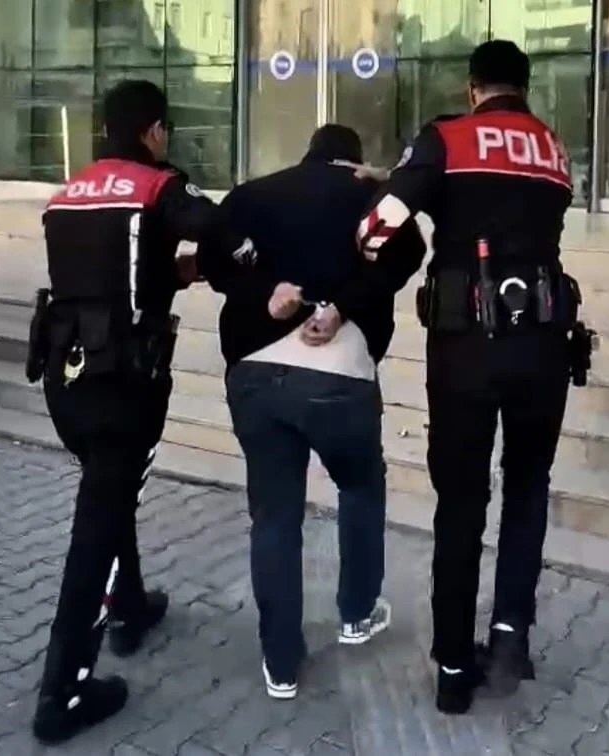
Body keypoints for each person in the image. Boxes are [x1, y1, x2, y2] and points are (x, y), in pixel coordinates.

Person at [325, 40, 592, 714]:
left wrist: (393, 187)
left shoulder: (446, 137)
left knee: (463, 501)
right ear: (524, 88)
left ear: (473, 88)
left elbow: (376, 231)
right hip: (544, 347)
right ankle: (509, 636)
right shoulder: (553, 150)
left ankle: (451, 666)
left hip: (465, 350)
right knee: (527, 487)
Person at [25, 79, 254, 744]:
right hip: (123, 385)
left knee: (110, 492)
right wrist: (237, 261)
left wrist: (173, 272)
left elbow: (107, 272)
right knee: (96, 530)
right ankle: (63, 692)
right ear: (154, 130)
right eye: (164, 131)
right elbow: (217, 227)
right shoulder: (157, 184)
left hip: (65, 380)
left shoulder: (70, 192)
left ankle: (129, 606)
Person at [201, 124, 424, 700]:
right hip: (341, 372)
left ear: (308, 155)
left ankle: (280, 662)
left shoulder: (253, 193)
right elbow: (409, 253)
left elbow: (213, 261)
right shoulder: (369, 196)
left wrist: (265, 292)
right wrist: (344, 304)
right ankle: (357, 612)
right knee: (360, 484)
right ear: (353, 161)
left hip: (254, 371)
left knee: (274, 515)